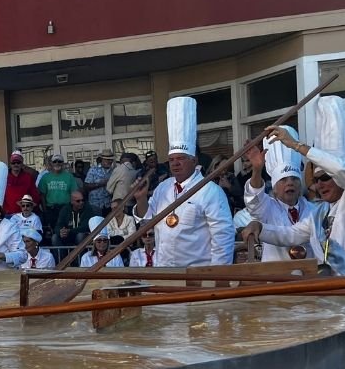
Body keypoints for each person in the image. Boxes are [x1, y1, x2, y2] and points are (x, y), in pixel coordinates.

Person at [242, 97, 345, 275]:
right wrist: (260, 228)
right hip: (338, 296)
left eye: (326, 177)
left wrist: (296, 146)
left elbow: (341, 170)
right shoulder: (319, 213)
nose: (320, 184)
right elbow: (290, 234)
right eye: (316, 180)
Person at [134, 97, 234, 268]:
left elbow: (222, 236)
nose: (175, 163)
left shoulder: (210, 191)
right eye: (172, 159)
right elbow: (147, 219)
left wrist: (218, 275)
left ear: (194, 160)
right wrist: (141, 199)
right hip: (164, 270)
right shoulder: (163, 187)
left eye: (181, 158)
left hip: (197, 273)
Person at [242, 125, 327, 262]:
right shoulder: (267, 208)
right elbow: (253, 201)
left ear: (300, 185)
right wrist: (257, 170)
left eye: (294, 179)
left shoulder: (313, 210)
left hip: (310, 278)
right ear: (274, 187)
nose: (290, 183)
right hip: (277, 278)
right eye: (283, 180)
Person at [38, 154, 77, 232]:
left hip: (66, 208)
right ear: (51, 163)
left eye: (59, 161)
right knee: (52, 231)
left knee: (66, 231)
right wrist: (45, 210)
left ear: (63, 163)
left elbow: (74, 194)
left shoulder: (69, 177)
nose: (57, 163)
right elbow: (42, 195)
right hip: (51, 209)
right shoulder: (45, 177)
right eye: (55, 161)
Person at [4, 151, 41, 215]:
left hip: (25, 215)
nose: (16, 164)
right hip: (8, 215)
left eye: (18, 162)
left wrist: (31, 209)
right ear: (10, 164)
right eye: (13, 162)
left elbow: (35, 196)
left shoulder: (28, 177)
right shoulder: (4, 177)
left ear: (22, 163)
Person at [84, 149, 115, 214]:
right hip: (95, 205)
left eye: (111, 160)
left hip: (108, 205)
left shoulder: (113, 171)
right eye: (108, 159)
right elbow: (86, 186)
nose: (110, 161)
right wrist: (100, 184)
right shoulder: (93, 170)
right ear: (102, 159)